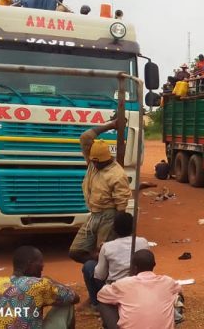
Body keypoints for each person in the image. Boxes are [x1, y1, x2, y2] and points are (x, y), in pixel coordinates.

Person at [69, 120, 132, 311]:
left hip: (109, 217)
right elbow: (86, 137)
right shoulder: (93, 162)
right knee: (76, 251)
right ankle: (102, 275)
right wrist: (112, 125)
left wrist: (118, 234)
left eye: (95, 162)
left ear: (104, 159)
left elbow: (121, 207)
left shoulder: (116, 174)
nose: (91, 163)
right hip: (94, 215)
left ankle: (100, 298)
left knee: (103, 254)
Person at [0, 246, 80, 328]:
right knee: (67, 303)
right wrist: (52, 281)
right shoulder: (40, 284)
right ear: (30, 264)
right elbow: (75, 297)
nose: (42, 266)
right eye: (40, 262)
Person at [97, 249, 181, 329]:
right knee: (172, 299)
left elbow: (101, 295)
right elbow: (178, 290)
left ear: (134, 267)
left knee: (105, 302)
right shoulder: (168, 282)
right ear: (154, 264)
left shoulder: (123, 284)